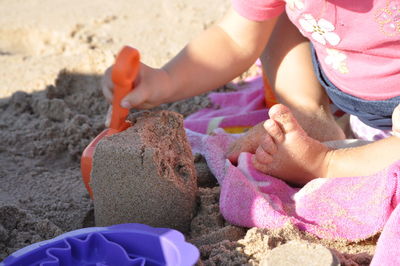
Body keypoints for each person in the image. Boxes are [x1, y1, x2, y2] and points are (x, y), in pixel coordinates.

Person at [102, 0, 400, 185]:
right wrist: (166, 80)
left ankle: (326, 160)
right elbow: (235, 38)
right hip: (340, 75)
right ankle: (308, 112)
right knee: (274, 18)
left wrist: (323, 163)